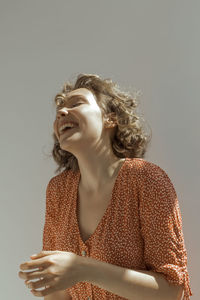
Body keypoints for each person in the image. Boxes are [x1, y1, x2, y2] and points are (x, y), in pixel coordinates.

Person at [19, 73, 193, 299]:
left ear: (110, 118)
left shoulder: (146, 179)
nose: (62, 112)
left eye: (76, 104)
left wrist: (82, 268)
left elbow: (173, 291)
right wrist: (48, 278)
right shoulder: (58, 190)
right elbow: (58, 295)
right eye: (59, 109)